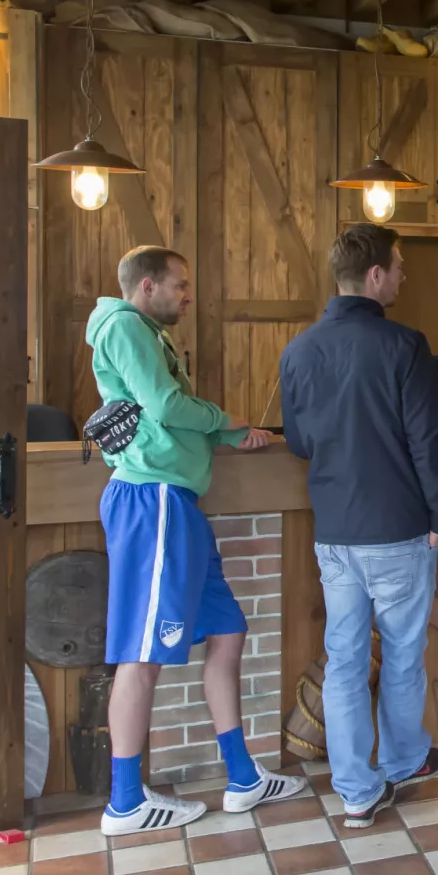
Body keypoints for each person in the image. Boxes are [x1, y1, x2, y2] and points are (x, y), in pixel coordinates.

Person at [90, 245, 305, 836]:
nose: (187, 295)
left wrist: (229, 438)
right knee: (142, 655)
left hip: (177, 502)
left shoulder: (145, 333)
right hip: (153, 501)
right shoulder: (125, 327)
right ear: (148, 286)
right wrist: (224, 420)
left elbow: (164, 418)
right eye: (179, 285)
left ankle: (243, 777)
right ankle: (125, 802)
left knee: (228, 631)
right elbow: (164, 405)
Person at [280, 225, 438, 828]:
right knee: (403, 655)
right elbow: (428, 442)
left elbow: (299, 442)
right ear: (375, 274)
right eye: (399, 266)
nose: (404, 276)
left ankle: (356, 791)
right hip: (398, 527)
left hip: (334, 530)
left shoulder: (298, 350)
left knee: (345, 660)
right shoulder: (404, 346)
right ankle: (404, 760)